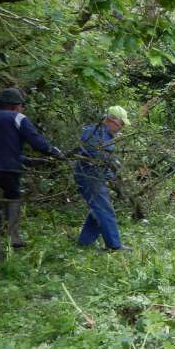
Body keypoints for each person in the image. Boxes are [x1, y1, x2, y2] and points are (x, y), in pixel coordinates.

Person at [0, 87, 63, 263]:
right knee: (13, 196)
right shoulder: (18, 118)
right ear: (17, 106)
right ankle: (14, 237)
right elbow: (37, 143)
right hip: (6, 170)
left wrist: (24, 159)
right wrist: (53, 152)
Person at [73, 106, 131, 251]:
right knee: (104, 210)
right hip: (89, 176)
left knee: (97, 209)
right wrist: (111, 161)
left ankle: (85, 242)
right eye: (121, 124)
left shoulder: (107, 136)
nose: (121, 128)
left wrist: (112, 176)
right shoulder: (93, 132)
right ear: (111, 119)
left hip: (96, 176)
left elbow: (104, 161)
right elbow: (93, 153)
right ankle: (114, 245)